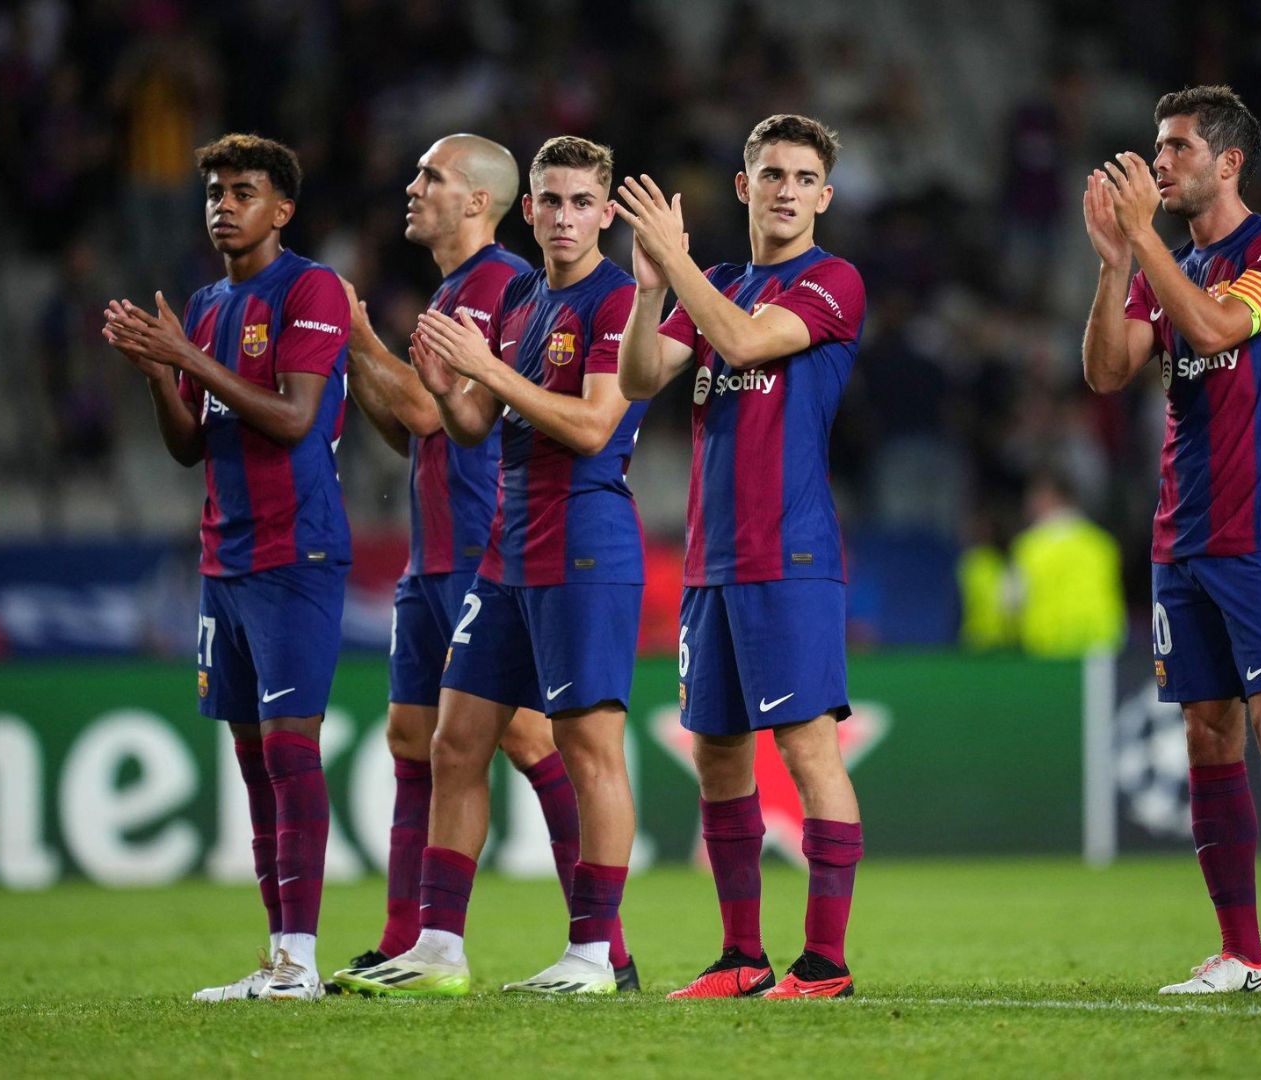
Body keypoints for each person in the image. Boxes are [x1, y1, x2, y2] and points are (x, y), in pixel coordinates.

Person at [329, 135, 636, 991]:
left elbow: (588, 426)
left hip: (567, 540)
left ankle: (599, 952)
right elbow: (460, 424)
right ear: (528, 207)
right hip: (499, 548)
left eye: (580, 202)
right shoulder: (521, 298)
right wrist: (443, 376)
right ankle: (434, 945)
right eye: (552, 200)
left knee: (576, 744)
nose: (563, 216)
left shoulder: (606, 298)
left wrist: (473, 370)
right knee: (451, 742)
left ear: (604, 214)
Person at [1081, 85, 1261, 994]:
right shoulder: (1165, 261)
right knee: (1205, 733)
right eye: (1156, 147)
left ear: (1228, 162)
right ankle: (1242, 953)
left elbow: (1219, 326)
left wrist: (1147, 242)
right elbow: (1108, 372)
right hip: (1178, 534)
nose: (1158, 163)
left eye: (1177, 148)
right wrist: (1116, 261)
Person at [615, 114, 866, 999]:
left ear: (823, 196)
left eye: (803, 177)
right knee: (718, 754)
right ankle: (740, 957)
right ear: (744, 186)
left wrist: (676, 265)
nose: (787, 189)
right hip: (708, 563)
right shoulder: (712, 281)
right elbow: (641, 379)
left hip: (789, 558)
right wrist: (650, 289)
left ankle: (825, 962)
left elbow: (749, 342)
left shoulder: (832, 281)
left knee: (805, 751)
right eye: (771, 174)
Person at [103, 133, 349, 1002]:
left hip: (296, 552)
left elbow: (293, 418)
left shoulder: (310, 289)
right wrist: (155, 377)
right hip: (225, 555)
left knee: (290, 752)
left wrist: (188, 360)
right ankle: (277, 957)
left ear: (281, 209)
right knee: (252, 763)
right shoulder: (205, 304)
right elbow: (190, 447)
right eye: (214, 191)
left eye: (243, 191)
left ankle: (303, 961)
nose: (223, 205)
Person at [1005, 468, 1125, 658]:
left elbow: (1010, 603)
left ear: (1047, 498)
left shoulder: (1029, 547)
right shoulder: (1102, 543)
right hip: (1101, 653)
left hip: (1047, 654)